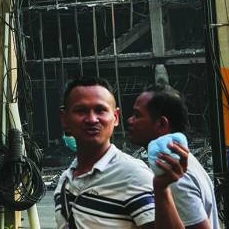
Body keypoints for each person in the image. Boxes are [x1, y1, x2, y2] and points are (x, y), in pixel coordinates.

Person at [55, 76, 189, 229]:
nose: (92, 119)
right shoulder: (65, 181)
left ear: (115, 117)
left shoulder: (133, 176)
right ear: (65, 119)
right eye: (81, 111)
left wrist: (162, 190)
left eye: (100, 110)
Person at [127, 85, 219, 229]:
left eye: (137, 115)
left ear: (162, 124)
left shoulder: (174, 176)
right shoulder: (179, 164)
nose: (130, 120)